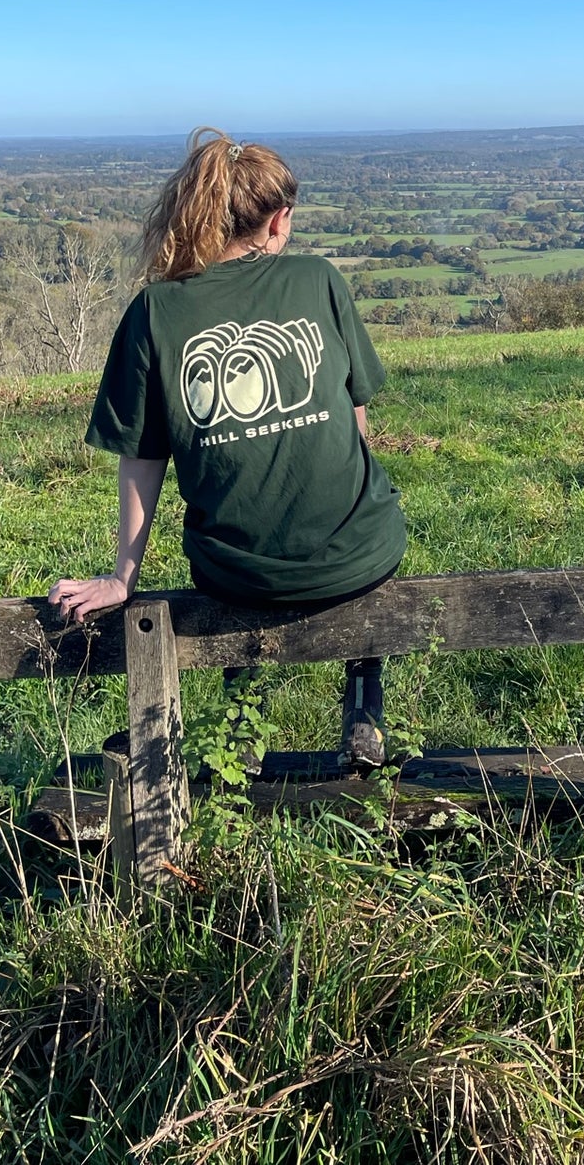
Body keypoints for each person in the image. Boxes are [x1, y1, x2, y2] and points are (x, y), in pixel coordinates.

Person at [48, 127, 406, 767]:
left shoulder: (155, 311)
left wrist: (122, 576)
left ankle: (243, 722)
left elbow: (143, 454)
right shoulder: (320, 279)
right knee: (368, 510)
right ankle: (362, 695)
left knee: (237, 554)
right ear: (280, 220)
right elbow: (356, 422)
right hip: (363, 556)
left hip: (237, 577)